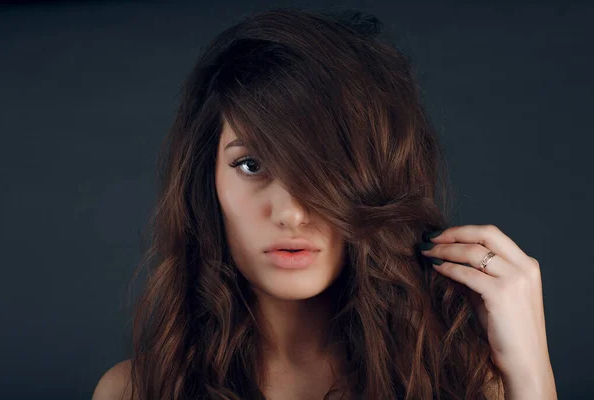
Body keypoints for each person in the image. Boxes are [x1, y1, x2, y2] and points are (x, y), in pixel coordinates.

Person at [93, 7, 556, 400]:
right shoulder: (135, 390)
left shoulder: (464, 383)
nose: (291, 212)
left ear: (376, 180)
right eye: (251, 165)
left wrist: (532, 373)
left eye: (322, 166)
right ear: (206, 182)